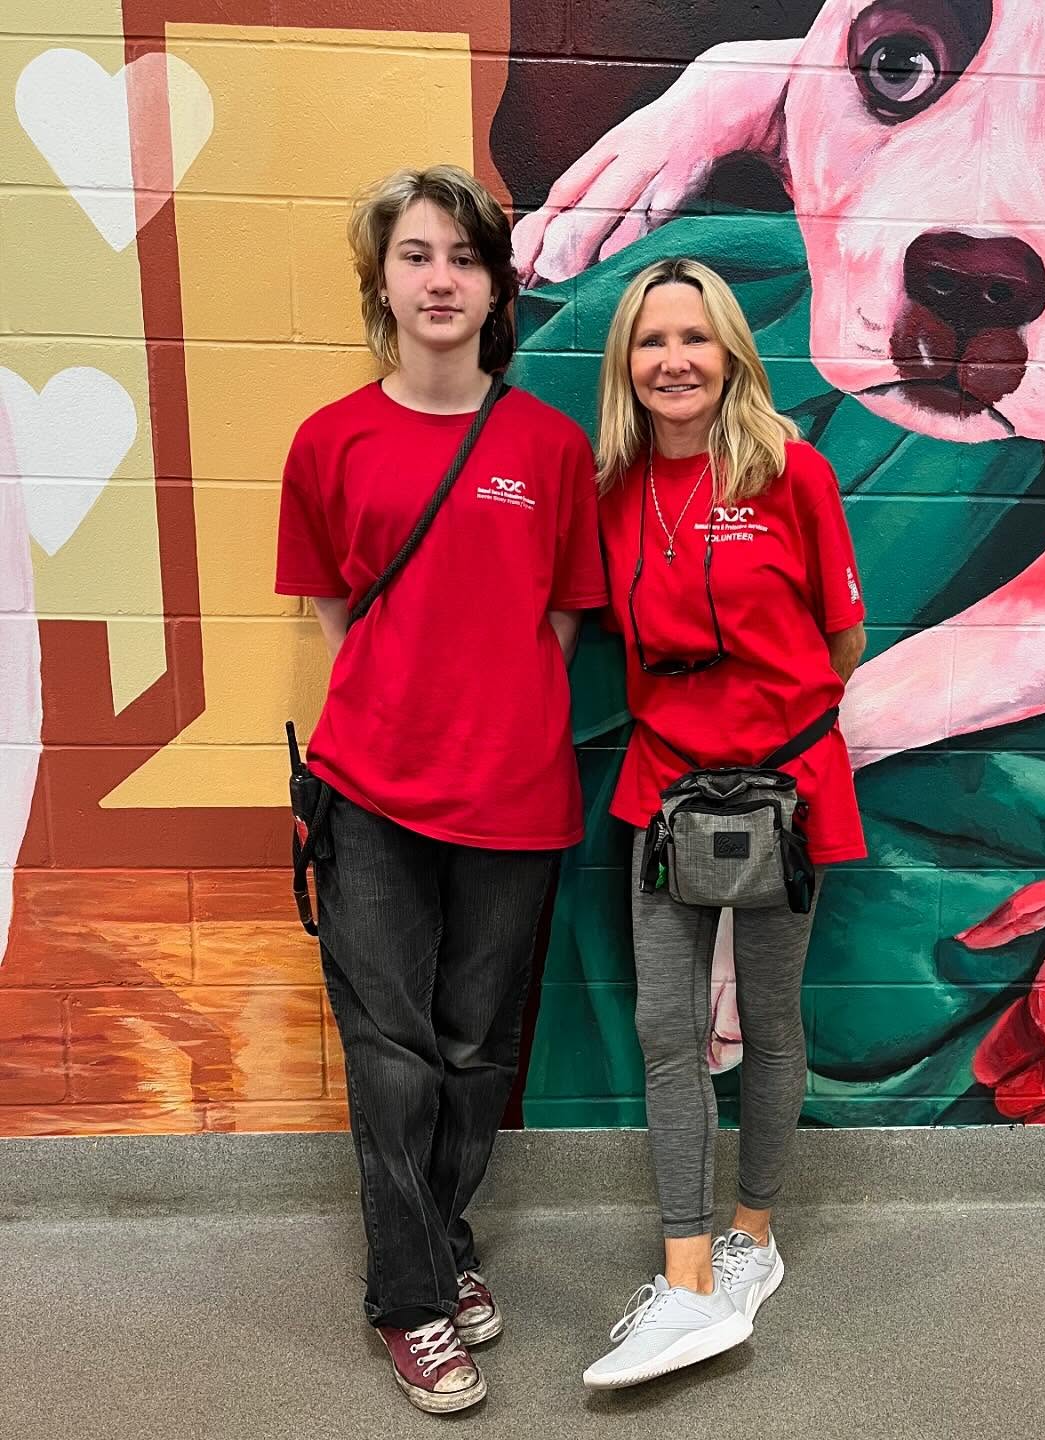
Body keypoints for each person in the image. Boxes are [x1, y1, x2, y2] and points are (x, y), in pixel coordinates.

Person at [273, 165, 606, 1414]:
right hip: (369, 791)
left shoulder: (549, 446)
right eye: (416, 255)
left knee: (474, 1054)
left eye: (463, 258)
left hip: (515, 799)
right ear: (384, 281)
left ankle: (443, 1238)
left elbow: (563, 619)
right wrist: (407, 704)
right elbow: (335, 612)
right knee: (393, 1054)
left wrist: (496, 712)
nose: (440, 279)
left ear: (495, 287)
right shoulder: (330, 441)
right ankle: (410, 1298)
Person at [583, 257, 867, 1390]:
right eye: (652, 342)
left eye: (695, 339)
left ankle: (754, 1237)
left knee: (775, 1019)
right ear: (628, 365)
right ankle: (688, 1280)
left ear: (731, 351)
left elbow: (842, 646)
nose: (674, 361)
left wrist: (771, 727)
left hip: (785, 795)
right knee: (667, 1030)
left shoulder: (792, 472)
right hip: (664, 792)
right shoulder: (612, 489)